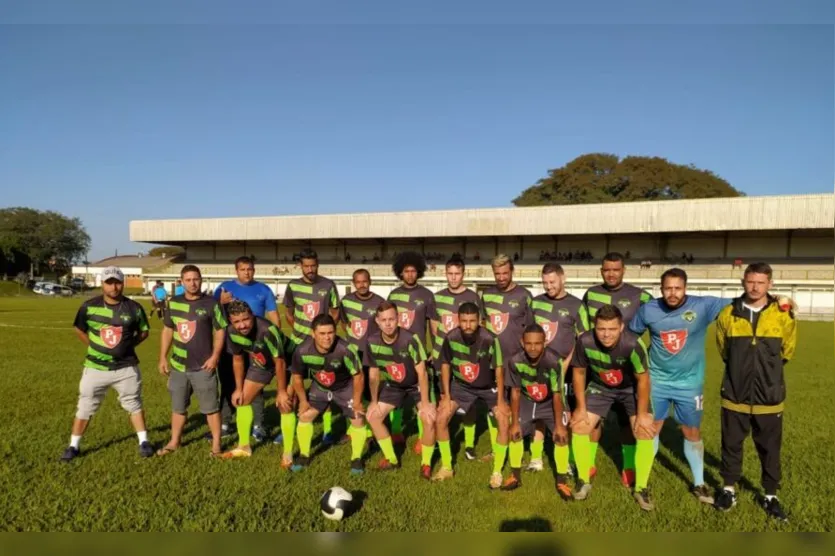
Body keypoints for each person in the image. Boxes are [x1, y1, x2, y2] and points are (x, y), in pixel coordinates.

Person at [629, 268, 731, 505]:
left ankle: (699, 483)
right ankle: (642, 484)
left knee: (691, 432)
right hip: (657, 381)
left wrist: (776, 300)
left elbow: (741, 302)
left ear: (685, 287)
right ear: (661, 288)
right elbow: (631, 338)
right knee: (649, 429)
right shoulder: (648, 309)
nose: (672, 293)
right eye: (667, 288)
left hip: (690, 383)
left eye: (677, 288)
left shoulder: (704, 306)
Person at [713, 263, 797, 522]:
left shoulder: (784, 314)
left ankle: (770, 495)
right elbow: (724, 350)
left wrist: (765, 375)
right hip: (735, 394)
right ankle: (728, 490)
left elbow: (787, 350)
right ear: (743, 282)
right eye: (750, 281)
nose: (755, 287)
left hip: (769, 396)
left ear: (770, 284)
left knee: (770, 448)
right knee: (731, 445)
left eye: (761, 282)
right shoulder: (728, 314)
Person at [61, 266, 154, 462]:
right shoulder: (88, 306)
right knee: (85, 406)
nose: (114, 286)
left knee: (133, 403)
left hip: (126, 367)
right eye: (109, 282)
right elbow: (79, 329)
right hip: (95, 368)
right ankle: (73, 445)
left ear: (123, 283)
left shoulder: (134, 308)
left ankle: (144, 442)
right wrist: (94, 346)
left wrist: (129, 346)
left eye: (117, 282)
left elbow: (144, 331)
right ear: (102, 284)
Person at [569, 305, 657, 511]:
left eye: (612, 329)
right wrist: (580, 408)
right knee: (580, 426)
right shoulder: (584, 341)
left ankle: (641, 488)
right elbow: (579, 374)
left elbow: (643, 380)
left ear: (621, 327)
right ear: (594, 327)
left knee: (644, 431)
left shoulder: (633, 344)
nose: (606, 334)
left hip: (630, 390)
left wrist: (643, 414)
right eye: (601, 329)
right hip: (601, 387)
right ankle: (583, 480)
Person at [578, 252, 652, 487]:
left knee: (627, 424)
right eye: (606, 269)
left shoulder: (639, 295)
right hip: (598, 369)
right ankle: (587, 463)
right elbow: (582, 327)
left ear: (623, 270)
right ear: (601, 271)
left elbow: (662, 312)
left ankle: (629, 467)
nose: (611, 273)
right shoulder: (590, 294)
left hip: (629, 370)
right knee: (592, 423)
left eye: (616, 269)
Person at [432, 302, 509, 488]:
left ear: (480, 321)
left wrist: (500, 400)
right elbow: (445, 365)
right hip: (462, 386)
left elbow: (499, 369)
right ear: (458, 321)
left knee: (504, 419)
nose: (468, 325)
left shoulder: (490, 338)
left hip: (488, 386)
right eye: (464, 321)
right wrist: (446, 395)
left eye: (472, 321)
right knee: (441, 418)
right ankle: (447, 467)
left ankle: (497, 471)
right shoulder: (451, 337)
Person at [156, 265, 227, 458]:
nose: (193, 283)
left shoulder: (212, 303)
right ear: (181, 282)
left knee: (210, 409)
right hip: (179, 366)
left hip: (204, 366)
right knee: (178, 407)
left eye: (196, 279)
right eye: (188, 280)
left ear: (201, 280)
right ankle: (174, 441)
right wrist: (163, 357)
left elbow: (220, 330)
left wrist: (215, 357)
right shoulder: (174, 302)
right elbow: (168, 330)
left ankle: (216, 445)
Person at [364, 302, 436, 479]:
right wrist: (373, 401)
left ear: (398, 319)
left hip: (416, 384)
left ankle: (426, 464)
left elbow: (422, 373)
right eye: (384, 320)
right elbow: (373, 375)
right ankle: (391, 459)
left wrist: (425, 404)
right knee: (372, 416)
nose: (388, 323)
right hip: (394, 386)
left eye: (391, 319)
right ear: (377, 321)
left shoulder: (411, 339)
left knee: (429, 418)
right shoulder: (371, 342)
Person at [289, 314, 366, 474]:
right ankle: (304, 455)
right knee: (305, 416)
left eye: (330, 333)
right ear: (313, 333)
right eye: (322, 334)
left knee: (358, 419)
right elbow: (296, 377)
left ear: (335, 331)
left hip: (345, 388)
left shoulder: (346, 349)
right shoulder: (302, 350)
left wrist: (357, 401)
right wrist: (303, 401)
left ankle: (356, 459)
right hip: (321, 388)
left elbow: (358, 376)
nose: (327, 338)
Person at [214, 256, 279, 443]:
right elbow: (212, 310)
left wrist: (275, 338)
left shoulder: (263, 289)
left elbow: (274, 316)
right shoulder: (224, 288)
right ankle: (226, 422)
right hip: (230, 344)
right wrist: (220, 301)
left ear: (254, 270)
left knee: (255, 385)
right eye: (243, 269)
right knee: (227, 383)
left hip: (255, 345)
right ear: (236, 271)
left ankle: (259, 425)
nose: (247, 272)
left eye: (250, 269)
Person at [503, 324, 572, 499]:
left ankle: (562, 481)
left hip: (550, 401)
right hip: (527, 400)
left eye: (537, 343)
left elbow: (557, 394)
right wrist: (515, 422)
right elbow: (516, 392)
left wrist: (559, 426)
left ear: (545, 342)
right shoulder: (515, 361)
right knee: (515, 433)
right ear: (522, 342)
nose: (533, 348)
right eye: (528, 343)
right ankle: (515, 476)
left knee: (561, 437)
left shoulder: (554, 361)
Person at [220, 300, 292, 463]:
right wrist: (238, 388)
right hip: (262, 362)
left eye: (246, 319)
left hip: (289, 363)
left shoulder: (268, 329)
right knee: (242, 400)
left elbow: (280, 362)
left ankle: (288, 453)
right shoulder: (231, 332)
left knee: (285, 404)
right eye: (237, 321)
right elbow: (238, 360)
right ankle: (244, 447)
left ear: (252, 315)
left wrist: (281, 392)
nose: (242, 325)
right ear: (231, 321)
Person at [281, 248, 341, 444]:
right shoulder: (293, 286)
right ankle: (287, 426)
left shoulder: (328, 285)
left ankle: (327, 430)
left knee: (325, 384)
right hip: (298, 344)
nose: (310, 269)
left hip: (322, 347)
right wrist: (300, 332)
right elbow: (289, 312)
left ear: (318, 265)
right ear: (301, 266)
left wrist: (323, 336)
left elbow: (335, 312)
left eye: (313, 265)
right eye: (306, 266)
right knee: (292, 386)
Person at [479, 254, 533, 460]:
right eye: (497, 274)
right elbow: (484, 325)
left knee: (519, 403)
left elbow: (530, 330)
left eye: (505, 273)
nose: (501, 277)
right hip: (493, 361)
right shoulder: (486, 295)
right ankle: (497, 446)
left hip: (518, 361)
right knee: (495, 405)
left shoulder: (524, 295)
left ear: (512, 272)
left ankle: (518, 440)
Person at [531, 263, 584, 472]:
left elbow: (582, 339)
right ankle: (536, 458)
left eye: (552, 282)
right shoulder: (535, 303)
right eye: (544, 282)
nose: (548, 286)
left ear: (563, 279)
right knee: (539, 410)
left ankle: (568, 460)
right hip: (539, 368)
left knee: (566, 414)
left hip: (566, 370)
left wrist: (567, 363)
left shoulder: (577, 305)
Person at [430, 256, 482, 461]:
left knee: (467, 402)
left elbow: (479, 326)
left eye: (457, 274)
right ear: (446, 274)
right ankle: (439, 436)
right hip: (441, 356)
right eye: (450, 274)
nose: (453, 278)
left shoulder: (473, 297)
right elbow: (434, 327)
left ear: (463, 274)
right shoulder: (437, 297)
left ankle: (469, 444)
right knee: (442, 398)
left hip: (464, 358)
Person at [387, 251, 436, 453]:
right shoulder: (393, 295)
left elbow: (433, 325)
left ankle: (423, 435)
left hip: (419, 354)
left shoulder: (427, 295)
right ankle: (396, 431)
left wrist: (435, 349)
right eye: (406, 271)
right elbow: (386, 323)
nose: (409, 274)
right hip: (397, 353)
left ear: (419, 272)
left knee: (421, 396)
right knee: (396, 396)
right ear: (400, 272)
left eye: (413, 270)